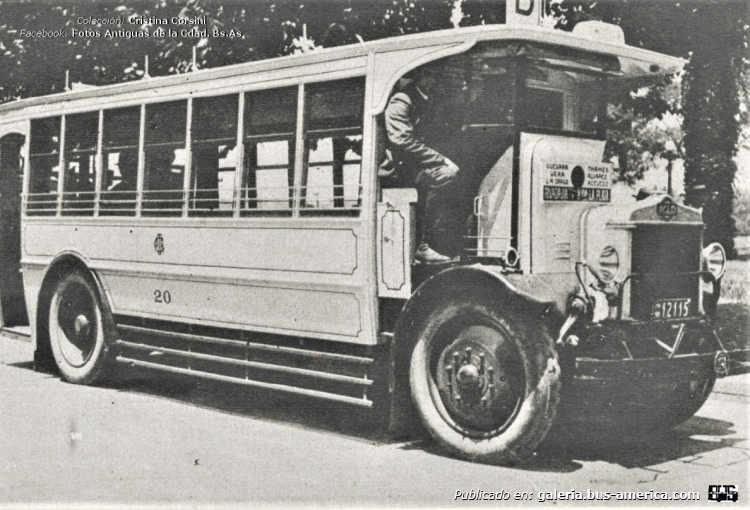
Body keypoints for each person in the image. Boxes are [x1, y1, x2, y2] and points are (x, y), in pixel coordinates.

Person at [380, 66, 461, 264]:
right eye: (432, 75)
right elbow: (401, 141)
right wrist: (440, 160)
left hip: (414, 165)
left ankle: (436, 241)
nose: (436, 80)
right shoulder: (402, 100)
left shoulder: (427, 100)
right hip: (397, 170)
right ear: (421, 77)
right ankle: (421, 245)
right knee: (444, 176)